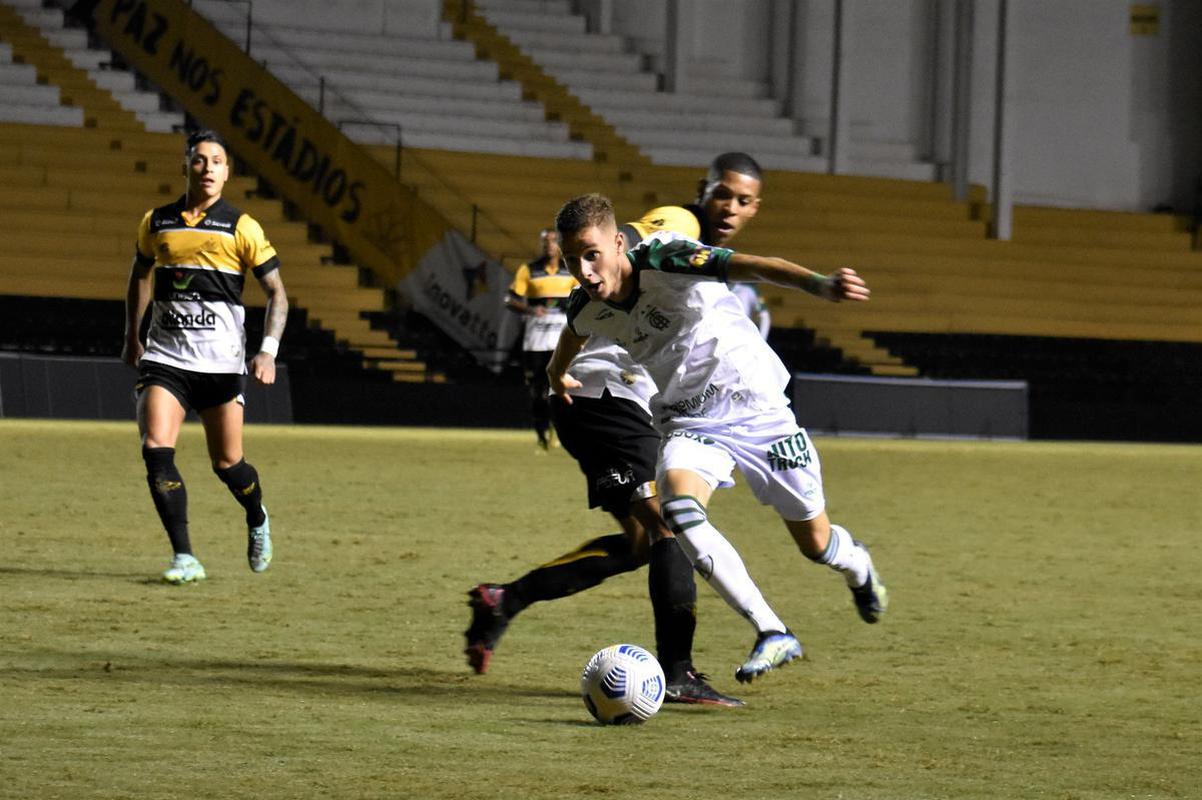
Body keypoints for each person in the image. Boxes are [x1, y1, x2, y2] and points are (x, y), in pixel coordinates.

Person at [464, 154, 769, 706]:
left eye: (744, 200)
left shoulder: (698, 253)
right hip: (604, 391)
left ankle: (502, 599)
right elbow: (624, 238)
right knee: (670, 526)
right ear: (706, 190)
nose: (731, 208)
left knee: (639, 544)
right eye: (723, 193)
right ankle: (677, 674)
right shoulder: (678, 222)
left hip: (622, 396)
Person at [547, 192, 888, 685]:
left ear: (618, 242)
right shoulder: (587, 304)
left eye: (591, 253)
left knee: (815, 544)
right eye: (571, 259)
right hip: (691, 423)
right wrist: (556, 375)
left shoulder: (668, 257)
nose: (583, 270)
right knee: (678, 511)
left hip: (759, 412)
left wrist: (821, 285)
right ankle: (772, 630)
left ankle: (856, 564)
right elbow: (572, 336)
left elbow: (756, 266)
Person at [122, 129, 288, 585]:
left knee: (228, 464)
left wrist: (267, 352)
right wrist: (131, 337)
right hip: (166, 359)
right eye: (199, 160)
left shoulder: (242, 226)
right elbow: (139, 275)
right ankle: (184, 557)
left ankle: (256, 515)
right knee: (156, 448)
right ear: (186, 167)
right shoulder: (157, 222)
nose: (208, 167)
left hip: (220, 366)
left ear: (227, 172)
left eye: (217, 160)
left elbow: (278, 294)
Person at [505, 228, 575, 450]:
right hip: (535, 342)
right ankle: (541, 432)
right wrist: (529, 310)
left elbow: (584, 296)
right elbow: (510, 299)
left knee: (563, 388)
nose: (549, 245)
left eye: (554, 241)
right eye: (545, 241)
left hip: (562, 341)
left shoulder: (571, 270)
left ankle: (561, 432)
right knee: (538, 391)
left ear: (560, 244)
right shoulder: (529, 270)